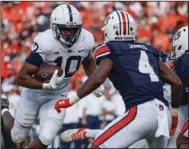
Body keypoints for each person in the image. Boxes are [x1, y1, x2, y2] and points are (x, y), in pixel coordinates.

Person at [55, 10, 183, 148]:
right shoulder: (149, 49)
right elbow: (176, 82)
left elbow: (98, 79)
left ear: (110, 30)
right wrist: (174, 115)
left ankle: (89, 133)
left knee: (98, 146)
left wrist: (71, 100)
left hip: (140, 111)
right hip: (164, 116)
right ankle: (89, 133)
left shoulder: (110, 49)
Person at [1, 4, 104, 149]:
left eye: (73, 30)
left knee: (47, 137)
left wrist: (95, 80)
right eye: (64, 29)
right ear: (54, 27)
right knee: (17, 135)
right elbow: (22, 77)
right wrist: (44, 85)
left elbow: (88, 63)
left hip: (58, 94)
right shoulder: (46, 42)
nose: (69, 34)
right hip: (35, 92)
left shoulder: (85, 40)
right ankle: (3, 109)